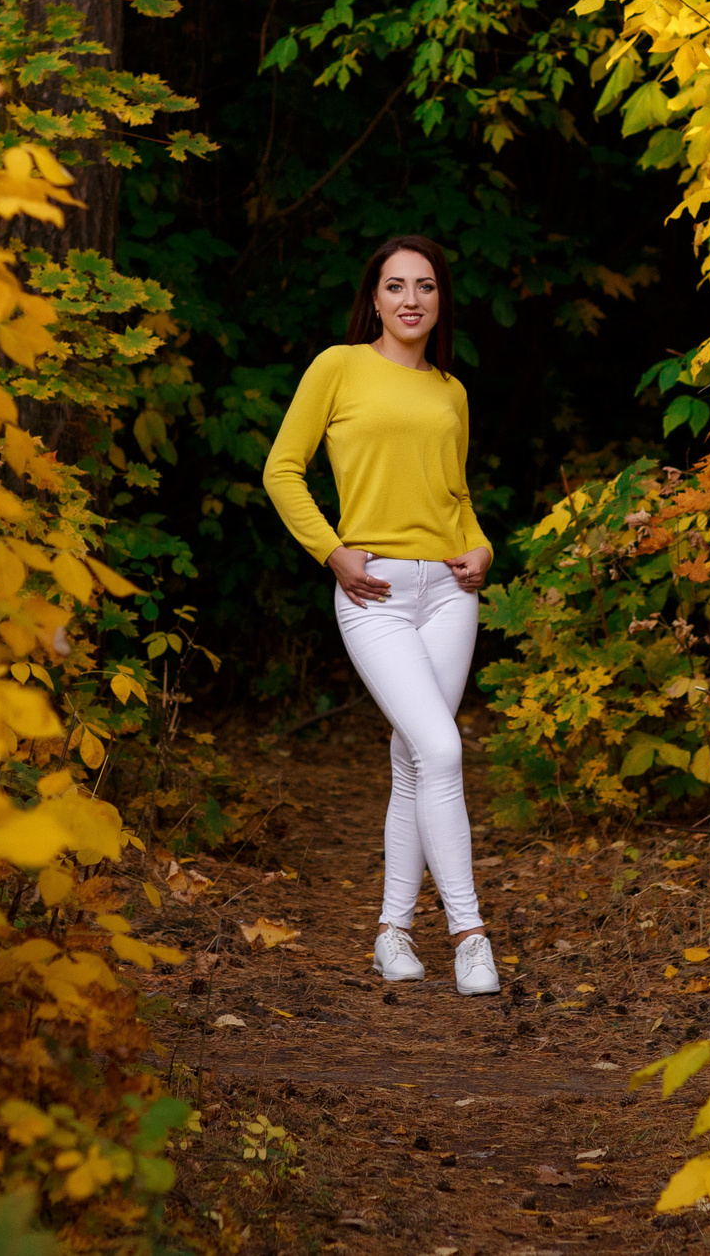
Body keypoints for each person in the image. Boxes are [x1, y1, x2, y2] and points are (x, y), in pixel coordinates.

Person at [263, 235, 500, 996]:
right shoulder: (338, 367)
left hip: (451, 595)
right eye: (395, 285)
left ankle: (393, 934)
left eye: (424, 286)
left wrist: (482, 547)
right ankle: (470, 934)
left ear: (439, 300)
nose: (410, 299)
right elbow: (282, 470)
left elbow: (454, 495)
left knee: (414, 758)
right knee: (442, 746)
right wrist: (331, 551)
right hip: (377, 594)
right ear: (374, 298)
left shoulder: (451, 392)